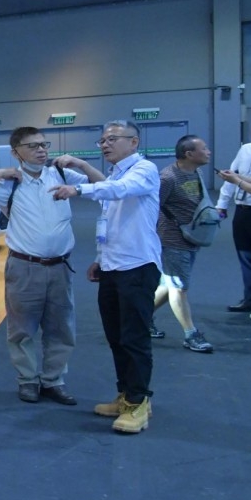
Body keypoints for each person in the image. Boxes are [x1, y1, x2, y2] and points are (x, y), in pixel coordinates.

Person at [50, 121, 161, 435]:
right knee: (116, 337)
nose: (105, 145)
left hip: (137, 267)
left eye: (112, 139)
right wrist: (101, 259)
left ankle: (139, 402)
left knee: (135, 338)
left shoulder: (143, 170)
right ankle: (126, 395)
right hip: (113, 267)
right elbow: (110, 217)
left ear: (134, 142)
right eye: (102, 140)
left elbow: (118, 191)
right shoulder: (115, 175)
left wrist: (78, 188)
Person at [0, 127, 77, 405]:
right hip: (24, 267)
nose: (41, 150)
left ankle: (54, 380)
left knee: (61, 327)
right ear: (16, 153)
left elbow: (104, 188)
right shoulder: (10, 184)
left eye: (44, 144)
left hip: (60, 266)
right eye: (33, 146)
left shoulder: (60, 175)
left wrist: (82, 164)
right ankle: (27, 379)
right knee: (22, 328)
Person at [150, 135, 214, 353]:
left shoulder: (196, 172)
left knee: (168, 285)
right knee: (179, 288)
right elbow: (151, 208)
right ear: (189, 154)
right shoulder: (168, 178)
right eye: (204, 148)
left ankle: (141, 318)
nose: (208, 152)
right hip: (172, 240)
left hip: (191, 238)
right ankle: (190, 334)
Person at [218, 138, 251, 313]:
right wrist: (222, 204)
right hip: (242, 211)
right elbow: (232, 175)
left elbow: (235, 179)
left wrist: (236, 180)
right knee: (245, 257)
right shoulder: (245, 150)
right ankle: (249, 299)